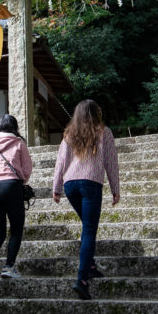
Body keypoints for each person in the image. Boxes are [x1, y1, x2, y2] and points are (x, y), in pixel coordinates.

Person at [52, 99, 120, 300]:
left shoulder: (68, 134)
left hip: (70, 184)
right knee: (89, 230)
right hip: (90, 183)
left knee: (87, 226)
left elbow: (60, 162)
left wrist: (56, 187)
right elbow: (111, 162)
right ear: (95, 113)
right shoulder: (103, 132)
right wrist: (115, 189)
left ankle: (90, 265)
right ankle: (82, 279)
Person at [0, 114, 33, 290]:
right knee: (16, 230)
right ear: (14, 127)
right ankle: (9, 267)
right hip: (12, 186)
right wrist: (21, 182)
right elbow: (26, 169)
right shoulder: (19, 143)